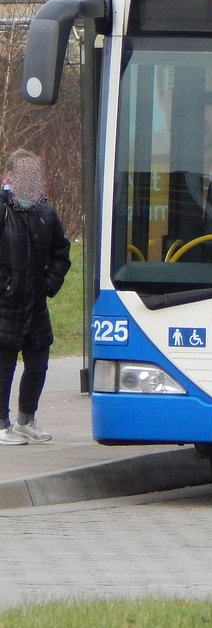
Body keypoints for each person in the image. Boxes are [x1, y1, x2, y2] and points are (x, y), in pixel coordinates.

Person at [0, 150, 72, 445]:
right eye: (25, 173)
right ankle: (1, 423)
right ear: (11, 176)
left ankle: (26, 419)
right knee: (4, 364)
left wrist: (48, 284)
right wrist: (6, 285)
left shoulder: (45, 211)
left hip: (36, 303)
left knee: (38, 362)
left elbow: (61, 252)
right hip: (6, 303)